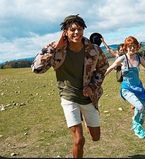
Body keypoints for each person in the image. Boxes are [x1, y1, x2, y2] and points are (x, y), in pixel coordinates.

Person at [31, 14, 109, 158]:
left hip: (88, 97)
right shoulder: (57, 49)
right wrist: (54, 48)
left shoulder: (93, 49)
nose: (76, 33)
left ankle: (83, 119)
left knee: (96, 137)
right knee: (79, 140)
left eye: (79, 29)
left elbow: (103, 67)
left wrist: (92, 86)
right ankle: (77, 120)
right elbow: (36, 68)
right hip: (69, 97)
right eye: (72, 30)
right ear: (65, 32)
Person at [105, 36, 145, 139]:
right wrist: (101, 77)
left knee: (142, 110)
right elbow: (111, 67)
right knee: (140, 107)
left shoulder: (138, 58)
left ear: (137, 47)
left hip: (139, 89)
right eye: (129, 46)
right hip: (127, 89)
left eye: (134, 46)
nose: (132, 48)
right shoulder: (122, 58)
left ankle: (139, 126)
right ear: (126, 47)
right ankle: (136, 125)